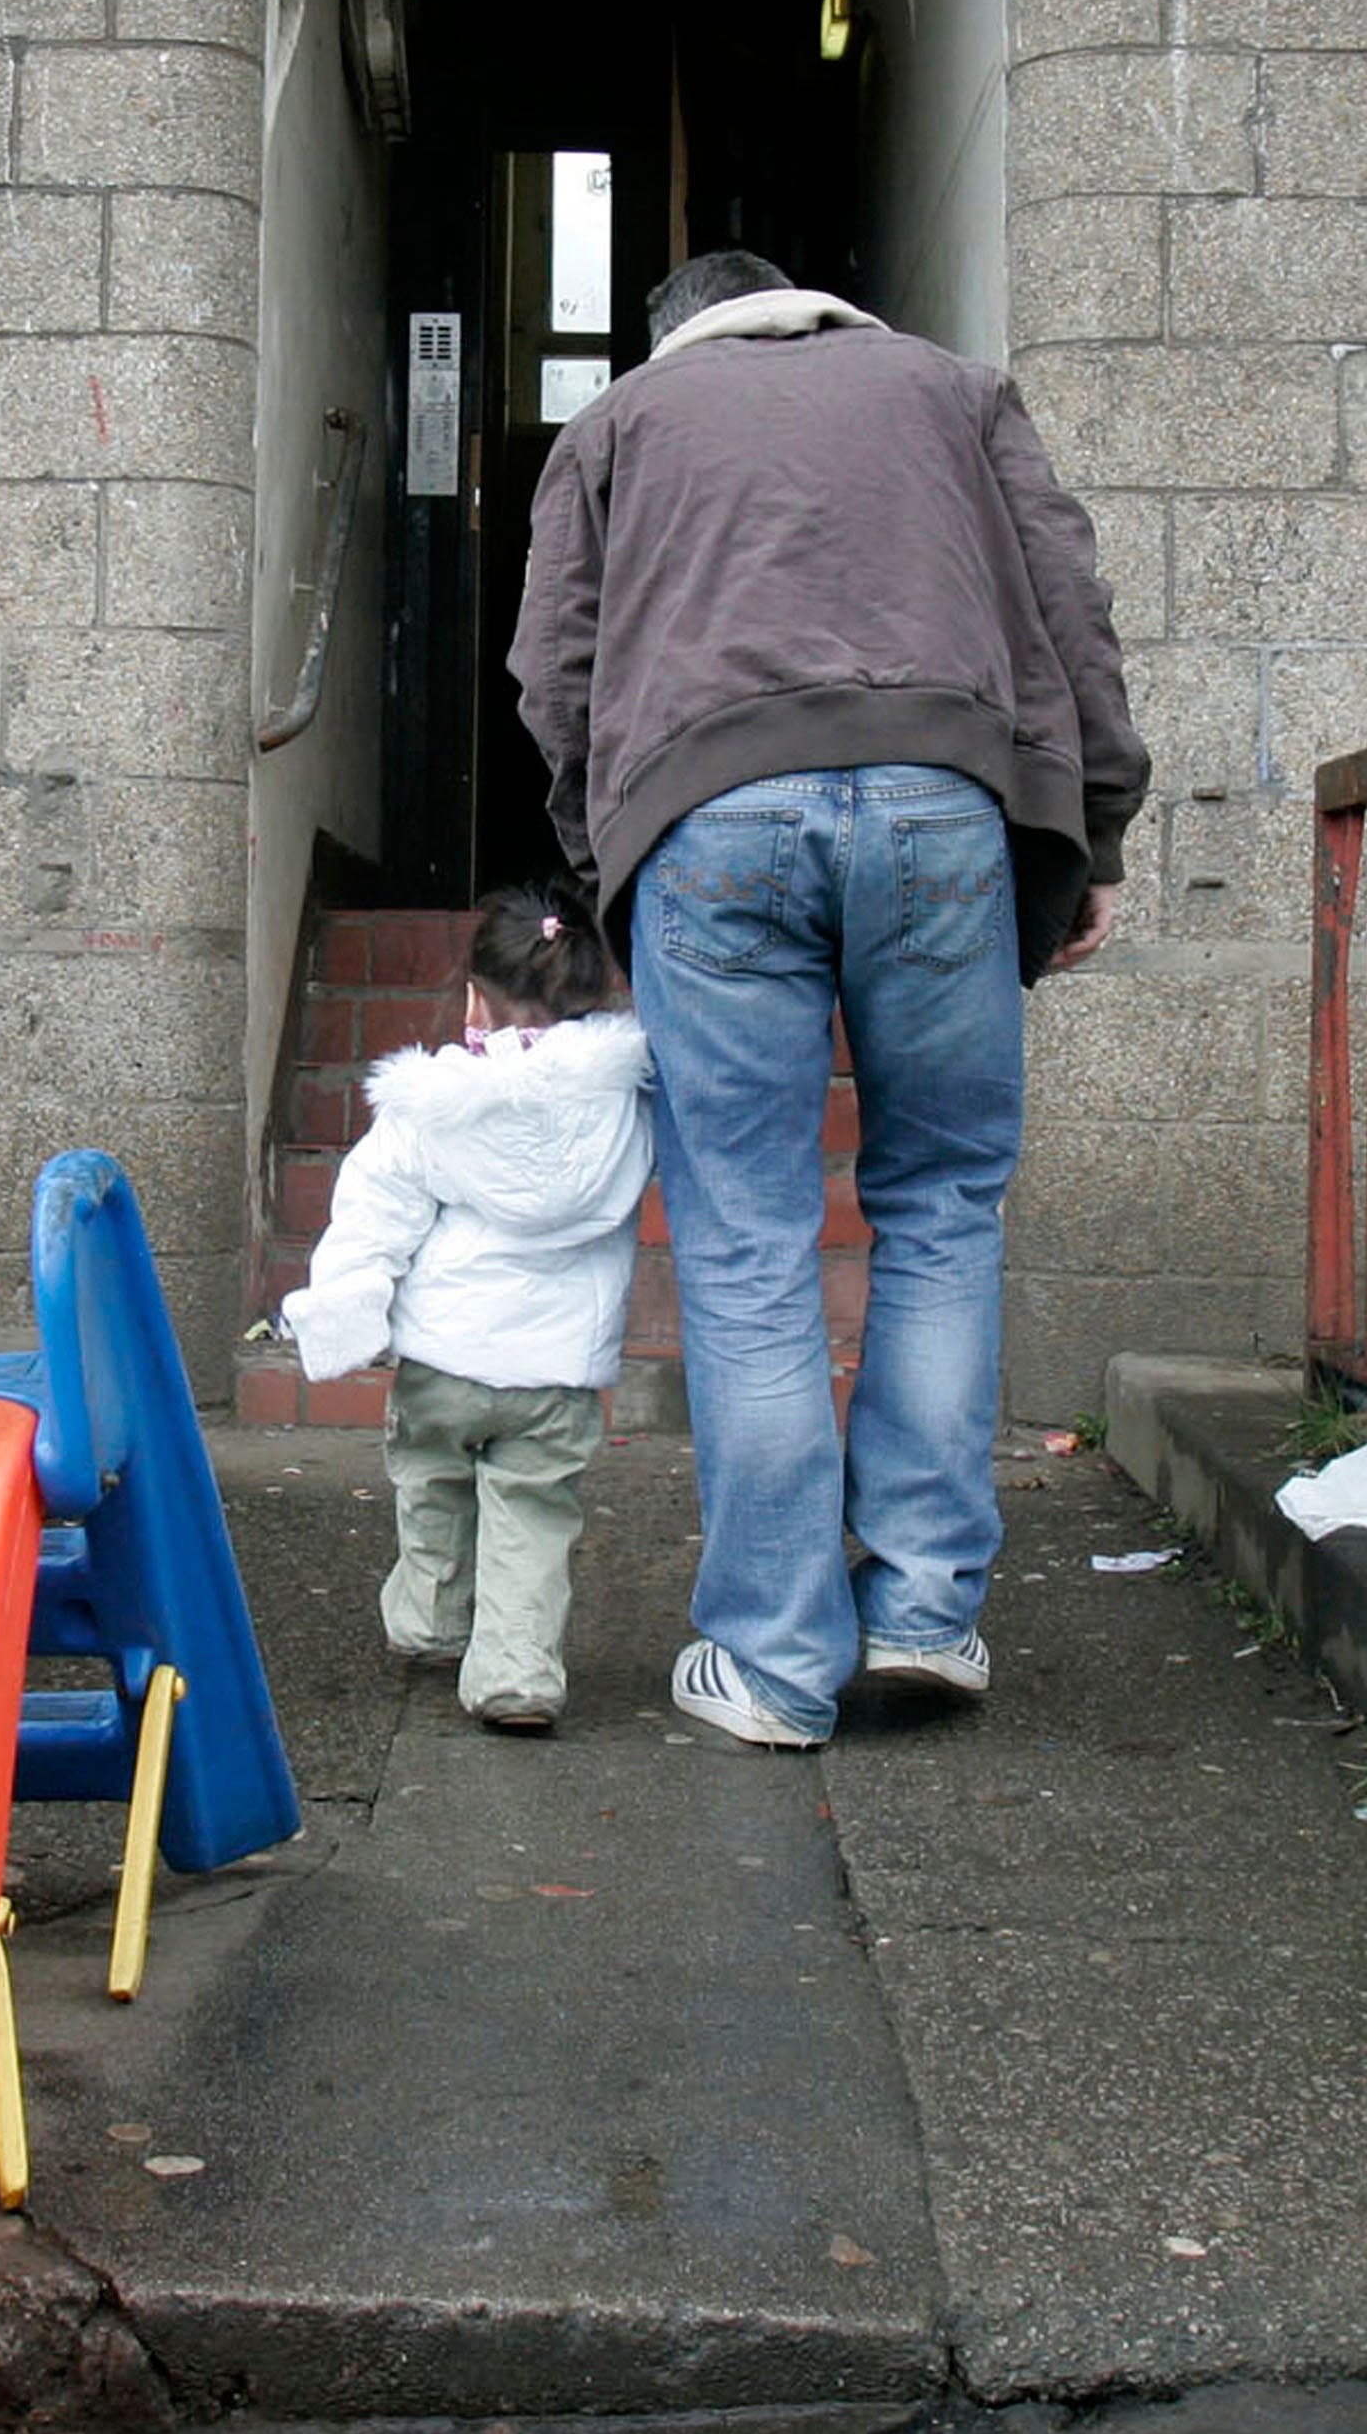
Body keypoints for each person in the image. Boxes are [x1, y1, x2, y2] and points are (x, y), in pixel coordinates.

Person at [510, 247, 1144, 1751]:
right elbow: (1074, 607)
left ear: (680, 341)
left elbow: (555, 669)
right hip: (946, 797)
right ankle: (925, 1608)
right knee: (939, 1200)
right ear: (813, 311)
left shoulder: (615, 427)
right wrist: (1095, 825)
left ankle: (778, 1661)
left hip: (705, 809)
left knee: (743, 1232)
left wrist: (605, 850)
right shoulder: (956, 389)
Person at [272, 879, 654, 1736]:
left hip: (443, 1359)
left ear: (475, 1001)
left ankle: (433, 1622)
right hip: (556, 1371)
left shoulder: (432, 1107)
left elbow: (374, 1211)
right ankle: (517, 1673)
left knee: (433, 1482)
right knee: (532, 1508)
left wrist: (344, 1307)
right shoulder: (626, 1104)